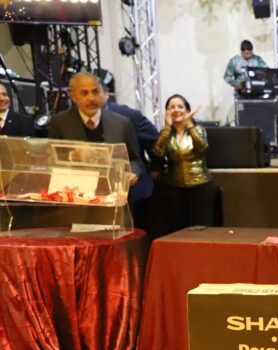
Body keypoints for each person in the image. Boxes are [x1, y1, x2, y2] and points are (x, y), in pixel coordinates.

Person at [47, 72, 144, 181]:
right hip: (76, 184)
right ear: (73, 96)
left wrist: (133, 172)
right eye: (84, 93)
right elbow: (52, 159)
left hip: (112, 184)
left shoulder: (121, 123)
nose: (91, 98)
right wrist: (73, 156)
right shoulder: (60, 122)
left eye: (95, 92)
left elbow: (135, 160)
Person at [150, 94, 218, 239]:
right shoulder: (166, 133)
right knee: (176, 229)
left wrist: (190, 125)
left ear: (187, 110)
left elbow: (202, 147)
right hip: (174, 186)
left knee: (201, 228)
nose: (176, 110)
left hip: (200, 185)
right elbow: (158, 152)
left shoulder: (198, 129)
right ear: (167, 112)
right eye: (172, 107)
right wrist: (166, 129)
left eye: (180, 107)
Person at [97, 82, 160, 233]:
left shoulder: (129, 116)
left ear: (106, 94)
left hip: (132, 189)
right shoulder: (71, 119)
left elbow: (155, 142)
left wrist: (155, 167)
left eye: (95, 92)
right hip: (96, 193)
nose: (91, 98)